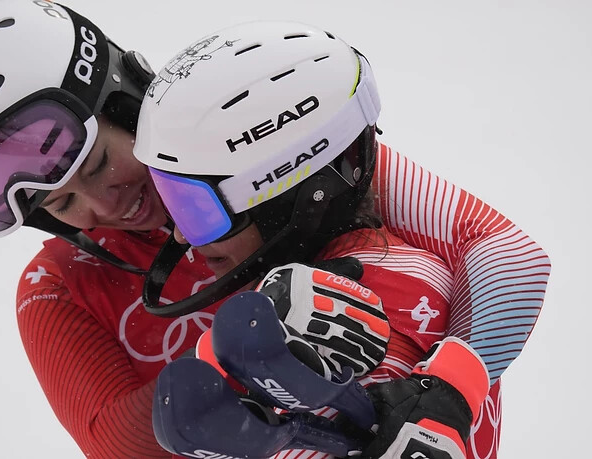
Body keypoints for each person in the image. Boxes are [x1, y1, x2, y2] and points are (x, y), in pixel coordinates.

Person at [0, 1, 549, 458]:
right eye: (61, 205)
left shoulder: (236, 130)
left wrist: (448, 390)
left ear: (128, 103)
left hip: (411, 399)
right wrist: (234, 350)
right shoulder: (58, 283)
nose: (103, 208)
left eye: (99, 164)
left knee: (402, 269)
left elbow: (503, 252)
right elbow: (114, 442)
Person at [132, 20, 550, 459]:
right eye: (169, 197)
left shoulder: (374, 295)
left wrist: (448, 392)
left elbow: (515, 258)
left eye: (192, 206)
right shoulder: (381, 251)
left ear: (285, 197)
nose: (179, 233)